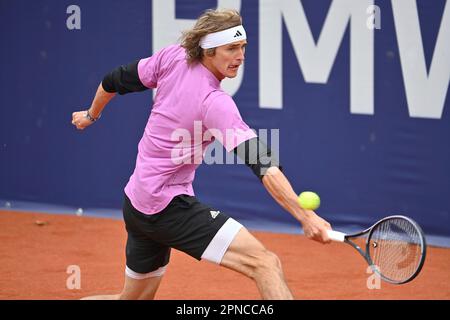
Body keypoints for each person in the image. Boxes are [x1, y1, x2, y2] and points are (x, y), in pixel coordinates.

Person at [72, 8, 332, 300]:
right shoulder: (215, 103)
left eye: (243, 47)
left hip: (136, 202)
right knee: (265, 263)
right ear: (208, 50)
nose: (241, 56)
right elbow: (262, 165)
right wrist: (305, 216)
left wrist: (91, 115)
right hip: (166, 207)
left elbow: (114, 80)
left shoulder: (172, 57)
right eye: (231, 48)